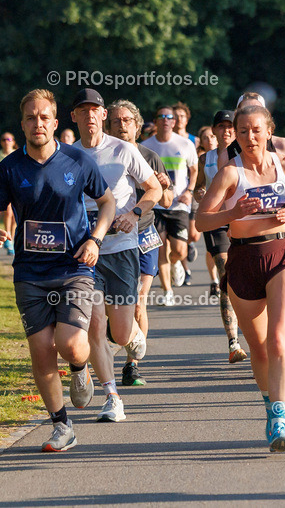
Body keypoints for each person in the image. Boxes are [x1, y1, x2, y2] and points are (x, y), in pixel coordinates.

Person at [0, 89, 116, 452]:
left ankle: (80, 367)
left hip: (74, 266)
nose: (37, 123)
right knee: (41, 350)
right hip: (29, 272)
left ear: (55, 123)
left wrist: (96, 240)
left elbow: (107, 202)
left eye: (44, 118)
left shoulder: (77, 160)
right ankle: (61, 426)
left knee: (70, 344)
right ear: (22, 123)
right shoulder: (10, 167)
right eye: (30, 117)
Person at [197, 104, 285, 451]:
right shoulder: (230, 174)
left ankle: (280, 420)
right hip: (243, 259)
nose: (250, 137)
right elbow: (202, 221)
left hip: (282, 254)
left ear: (269, 130)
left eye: (256, 130)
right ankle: (269, 405)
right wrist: (233, 212)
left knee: (279, 339)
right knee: (259, 348)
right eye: (243, 130)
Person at [72, 89, 162, 422]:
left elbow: (155, 188)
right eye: (83, 111)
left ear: (101, 116)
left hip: (122, 247)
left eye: (94, 110)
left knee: (121, 333)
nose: (90, 116)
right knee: (94, 324)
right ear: (75, 117)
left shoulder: (123, 150)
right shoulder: (67, 154)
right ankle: (112, 395)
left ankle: (132, 334)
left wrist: (136, 213)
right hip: (85, 251)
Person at [106, 100, 174, 387]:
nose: (122, 125)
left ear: (136, 125)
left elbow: (167, 202)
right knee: (114, 304)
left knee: (137, 301)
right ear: (108, 126)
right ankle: (112, 344)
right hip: (115, 236)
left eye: (127, 121)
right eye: (116, 121)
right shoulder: (104, 155)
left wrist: (164, 185)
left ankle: (131, 365)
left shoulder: (150, 155)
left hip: (145, 234)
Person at [193, 109, 249, 363]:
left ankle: (255, 330)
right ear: (213, 131)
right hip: (216, 221)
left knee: (245, 276)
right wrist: (201, 193)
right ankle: (233, 342)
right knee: (226, 273)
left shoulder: (245, 154)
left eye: (230, 127)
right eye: (221, 127)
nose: (226, 131)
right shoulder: (206, 159)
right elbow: (197, 190)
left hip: (244, 219)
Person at [142, 106, 199, 305]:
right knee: (160, 248)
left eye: (169, 117)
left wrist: (189, 191)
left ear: (174, 122)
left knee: (180, 250)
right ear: (156, 121)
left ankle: (176, 263)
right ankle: (167, 291)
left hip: (179, 206)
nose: (165, 120)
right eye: (161, 117)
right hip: (156, 206)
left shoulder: (185, 144)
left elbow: (194, 170)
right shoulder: (146, 146)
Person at [0, 132, 18, 255]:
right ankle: (7, 236)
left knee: (14, 215)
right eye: (3, 139)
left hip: (16, 186)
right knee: (8, 211)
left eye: (8, 139)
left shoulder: (17, 153)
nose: (6, 142)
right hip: (4, 186)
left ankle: (11, 237)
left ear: (13, 141)